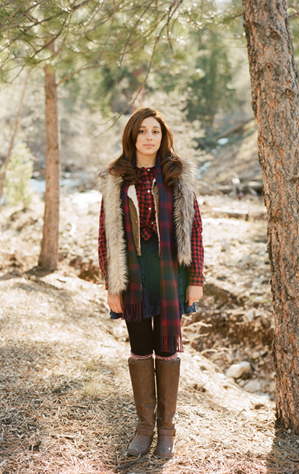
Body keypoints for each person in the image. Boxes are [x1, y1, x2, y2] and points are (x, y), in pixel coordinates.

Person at [97, 107, 204, 458]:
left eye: (155, 131)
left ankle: (166, 432)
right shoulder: (117, 179)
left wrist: (196, 278)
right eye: (142, 131)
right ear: (132, 136)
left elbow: (195, 228)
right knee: (141, 348)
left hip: (170, 274)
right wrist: (112, 284)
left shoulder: (177, 175)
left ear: (163, 136)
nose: (148, 137)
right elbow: (106, 235)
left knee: (168, 349)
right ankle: (144, 428)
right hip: (134, 276)